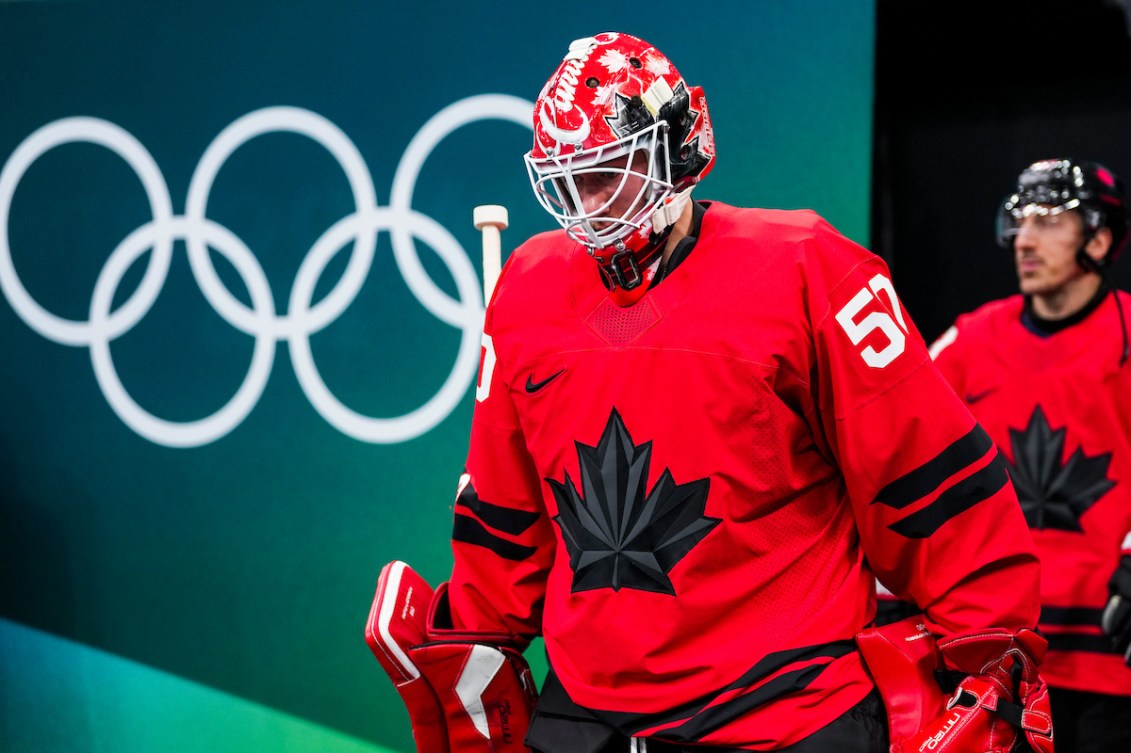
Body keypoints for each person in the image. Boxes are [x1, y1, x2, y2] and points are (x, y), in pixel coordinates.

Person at [366, 32, 1053, 753]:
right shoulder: (527, 285)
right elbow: (507, 502)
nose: (588, 205)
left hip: (784, 708)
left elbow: (923, 471)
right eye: (570, 181)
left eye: (608, 172)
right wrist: (479, 640)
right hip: (586, 711)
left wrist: (991, 643)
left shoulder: (807, 267)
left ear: (679, 145)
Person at [928, 157, 1131, 753]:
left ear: (1099, 239)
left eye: (1049, 221)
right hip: (1001, 653)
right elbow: (899, 444)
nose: (1024, 239)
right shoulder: (970, 338)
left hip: (1109, 653)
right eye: (1021, 221)